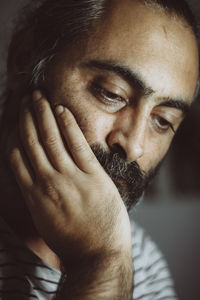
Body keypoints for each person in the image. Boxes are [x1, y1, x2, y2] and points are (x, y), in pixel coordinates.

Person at [0, 0, 199, 299]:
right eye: (111, 93)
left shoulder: (141, 260)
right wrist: (98, 265)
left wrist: (108, 256)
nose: (133, 146)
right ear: (24, 58)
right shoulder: (112, 255)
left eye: (162, 121)